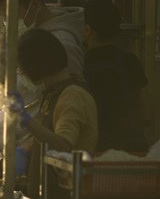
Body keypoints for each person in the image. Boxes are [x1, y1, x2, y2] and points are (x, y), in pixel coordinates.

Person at [11, 28, 98, 156]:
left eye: (22, 69)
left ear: (35, 65)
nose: (22, 74)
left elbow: (63, 145)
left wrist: (26, 120)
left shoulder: (73, 95)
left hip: (69, 176)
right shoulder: (53, 94)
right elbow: (44, 136)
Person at [81, 0, 151, 152]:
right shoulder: (130, 60)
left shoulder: (81, 66)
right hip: (134, 149)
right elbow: (147, 113)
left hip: (98, 152)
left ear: (87, 30)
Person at [0, 0, 86, 76]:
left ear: (35, 5)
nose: (8, 22)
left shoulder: (63, 44)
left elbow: (68, 91)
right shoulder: (34, 37)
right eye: (5, 17)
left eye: (11, 15)